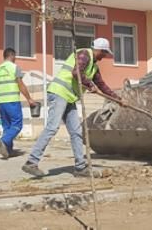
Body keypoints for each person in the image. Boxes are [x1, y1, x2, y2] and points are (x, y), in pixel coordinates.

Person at [22, 38, 120, 178]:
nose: (104, 57)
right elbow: (76, 72)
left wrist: (118, 99)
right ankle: (31, 162)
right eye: (104, 53)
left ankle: (80, 168)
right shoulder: (84, 54)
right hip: (59, 93)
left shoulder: (93, 66)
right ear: (99, 50)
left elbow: (102, 85)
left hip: (69, 97)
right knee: (52, 127)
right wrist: (90, 85)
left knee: (77, 132)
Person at [0, 48, 38, 159]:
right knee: (17, 125)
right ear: (12, 56)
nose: (15, 59)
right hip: (12, 101)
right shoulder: (14, 67)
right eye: (15, 57)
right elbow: (20, 84)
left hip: (2, 103)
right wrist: (29, 99)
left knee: (7, 127)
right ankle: (3, 141)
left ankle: (8, 150)